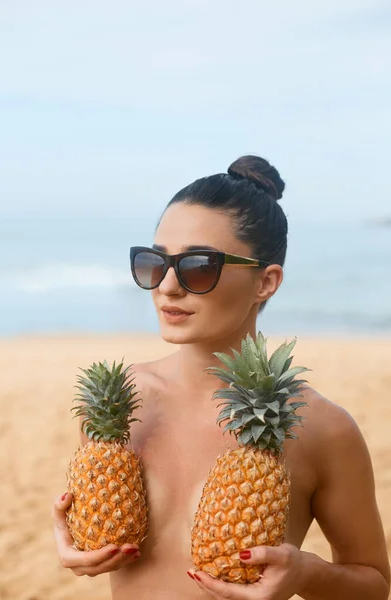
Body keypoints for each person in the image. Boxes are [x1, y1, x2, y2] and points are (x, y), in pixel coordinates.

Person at [52, 155, 390, 600]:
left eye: (197, 266)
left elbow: (375, 584)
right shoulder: (118, 401)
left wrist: (306, 573)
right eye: (154, 263)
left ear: (265, 282)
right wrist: (73, 542)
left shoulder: (323, 428)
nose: (166, 287)